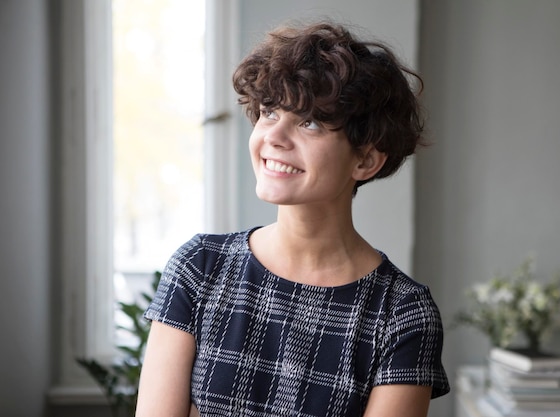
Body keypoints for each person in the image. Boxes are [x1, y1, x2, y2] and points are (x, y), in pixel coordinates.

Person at [136, 20, 449, 417]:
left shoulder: (403, 313)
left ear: (366, 159)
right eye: (269, 112)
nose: (275, 137)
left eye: (310, 122)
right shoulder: (199, 267)